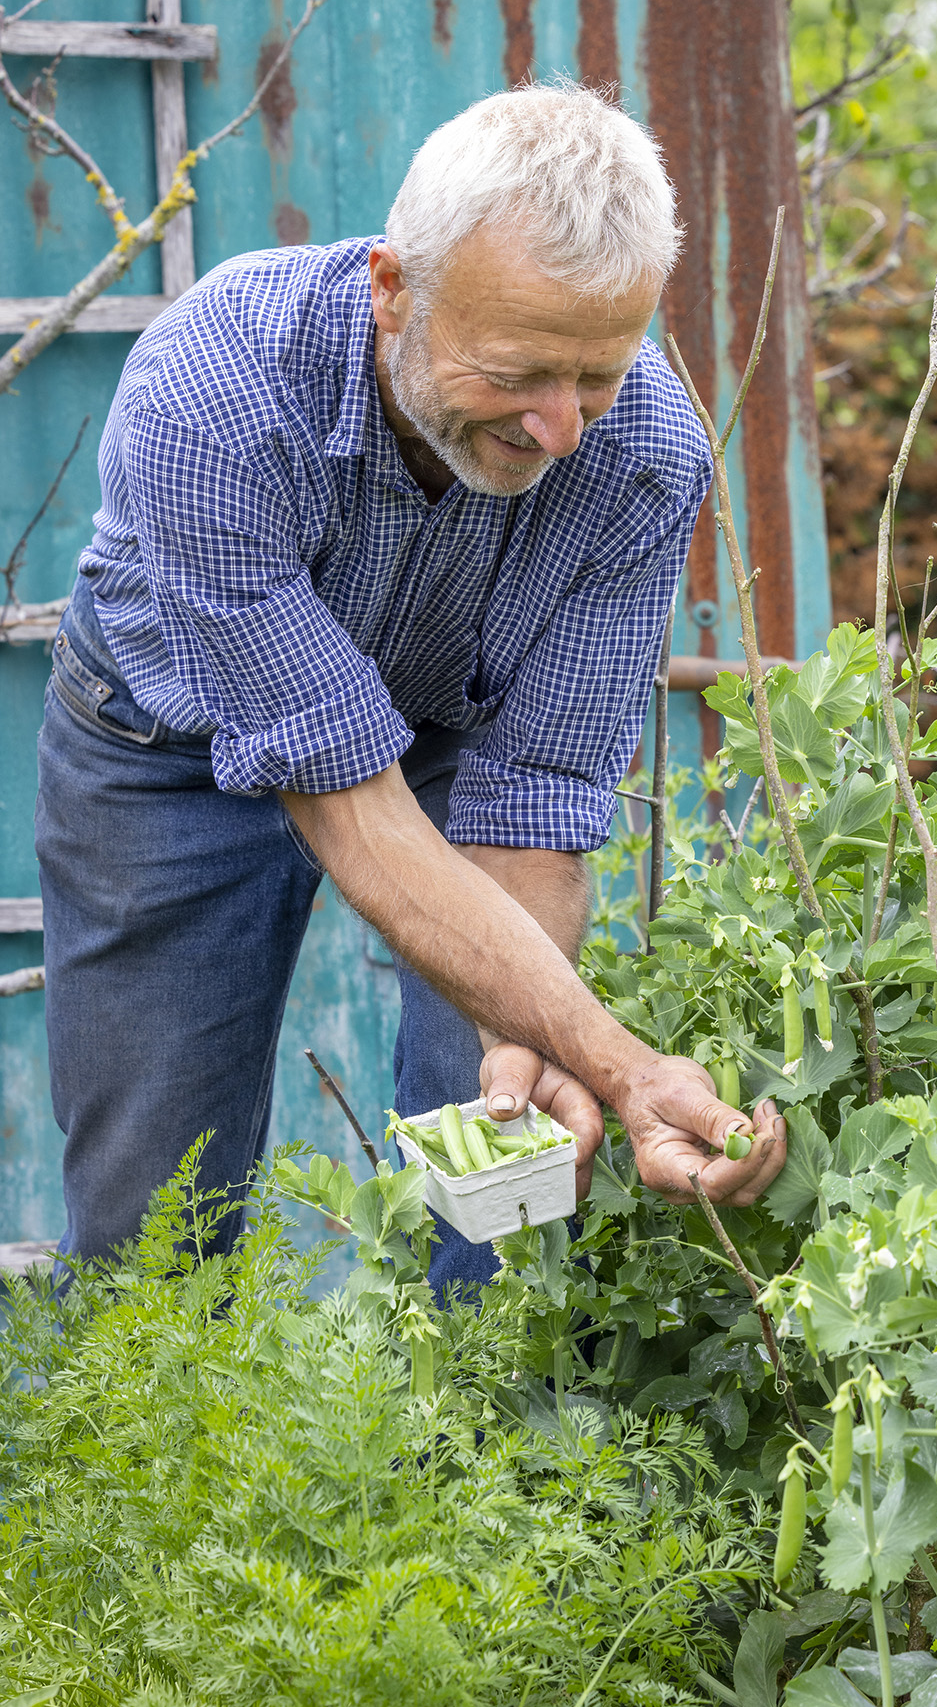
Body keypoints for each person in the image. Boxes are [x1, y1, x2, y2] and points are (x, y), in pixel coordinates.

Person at [35, 81, 787, 1293]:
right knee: (153, 1205)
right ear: (394, 291)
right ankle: (144, 1463)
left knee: (507, 1160)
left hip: (446, 736)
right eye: (520, 372)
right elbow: (350, 806)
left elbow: (534, 790)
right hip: (163, 751)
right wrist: (625, 1062)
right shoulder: (215, 391)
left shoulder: (642, 455)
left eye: (596, 372)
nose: (561, 430)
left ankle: (467, 1445)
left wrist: (530, 1040)